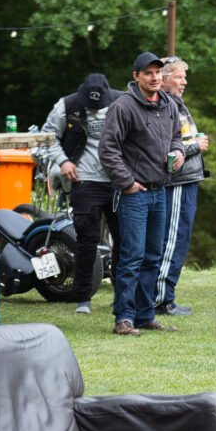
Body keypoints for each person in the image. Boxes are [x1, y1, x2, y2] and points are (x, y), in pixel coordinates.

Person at [99, 52, 184, 336]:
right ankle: (123, 317)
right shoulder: (123, 106)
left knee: (152, 257)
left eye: (158, 72)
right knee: (131, 256)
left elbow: (176, 136)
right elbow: (108, 150)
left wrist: (179, 151)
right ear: (136, 76)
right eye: (148, 73)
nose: (155, 77)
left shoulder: (168, 104)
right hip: (134, 194)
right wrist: (127, 183)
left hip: (160, 191)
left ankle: (145, 315)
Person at [40, 73, 122, 314]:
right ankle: (83, 297)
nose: (95, 107)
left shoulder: (122, 101)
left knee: (124, 240)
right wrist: (63, 161)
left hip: (119, 180)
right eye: (91, 103)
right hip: (84, 180)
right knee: (86, 240)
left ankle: (122, 295)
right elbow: (48, 137)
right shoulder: (66, 105)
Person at [154, 57, 208, 316]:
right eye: (179, 77)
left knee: (179, 238)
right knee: (173, 239)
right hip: (177, 181)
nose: (184, 81)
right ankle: (161, 298)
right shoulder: (165, 104)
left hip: (187, 180)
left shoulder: (176, 102)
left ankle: (164, 295)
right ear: (163, 79)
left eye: (184, 77)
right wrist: (197, 146)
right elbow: (164, 150)